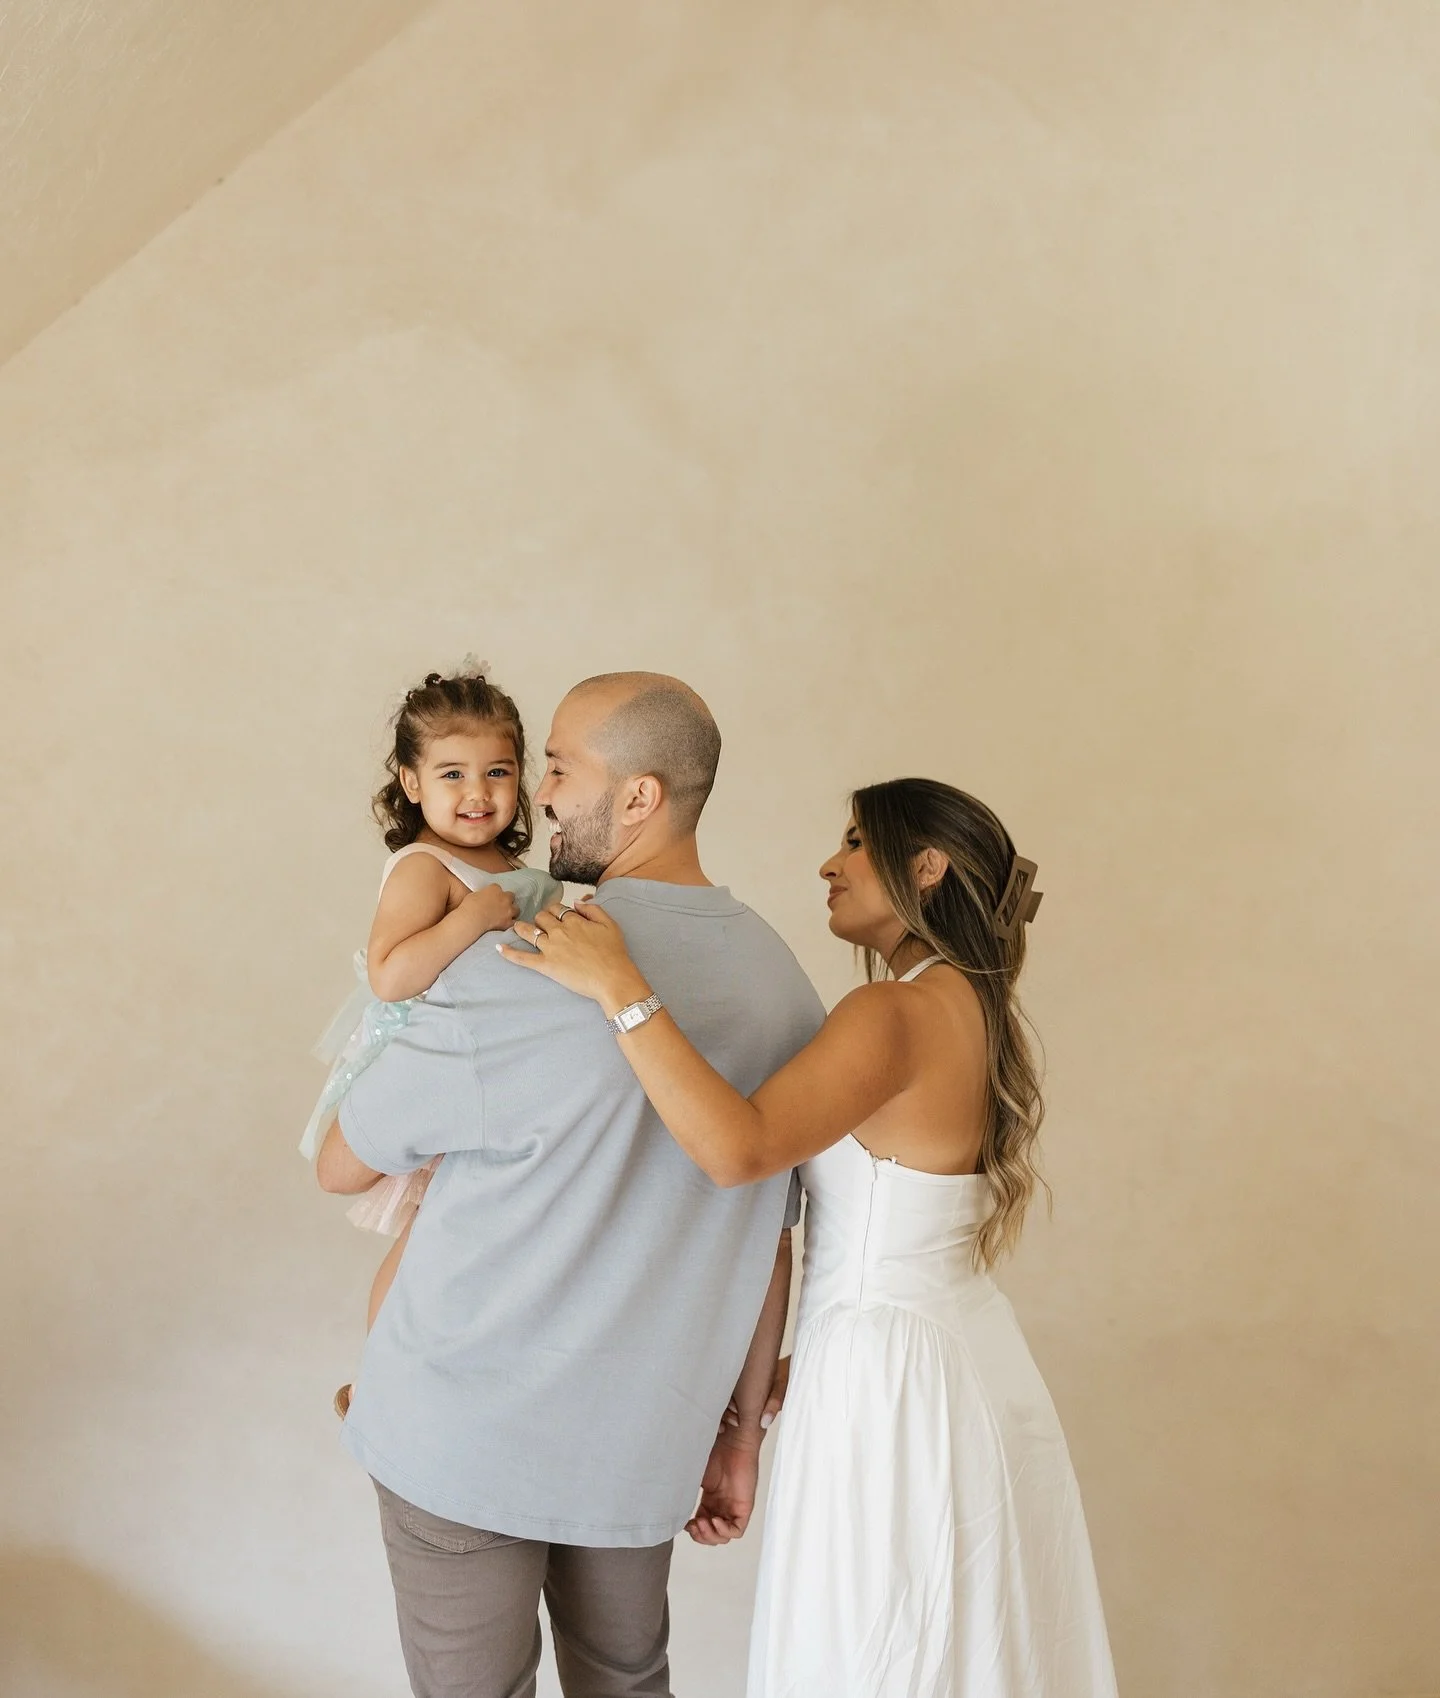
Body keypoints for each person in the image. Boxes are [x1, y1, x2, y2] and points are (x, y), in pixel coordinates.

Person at [503, 777, 1120, 1698]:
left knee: (876, 1644)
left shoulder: (893, 1012)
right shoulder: (968, 1004)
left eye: (856, 843)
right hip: (948, 1362)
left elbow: (739, 1150)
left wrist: (618, 985)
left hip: (889, 1385)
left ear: (926, 866)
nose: (829, 865)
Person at [315, 672, 824, 1698]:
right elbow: (771, 1238)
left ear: (637, 797)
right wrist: (740, 1438)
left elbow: (342, 1163)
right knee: (628, 1683)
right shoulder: (786, 991)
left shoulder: (517, 959)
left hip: (459, 1437)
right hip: (641, 1445)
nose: (536, 797)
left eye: (555, 769)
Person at [300, 666, 561, 1362]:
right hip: (428, 1060)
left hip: (496, 1072)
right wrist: (469, 919)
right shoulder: (425, 865)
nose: (478, 793)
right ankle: (378, 1370)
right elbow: (390, 975)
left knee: (448, 1229)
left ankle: (429, 1364)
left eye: (498, 772)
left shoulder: (514, 868)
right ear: (412, 783)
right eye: (452, 775)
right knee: (422, 1236)